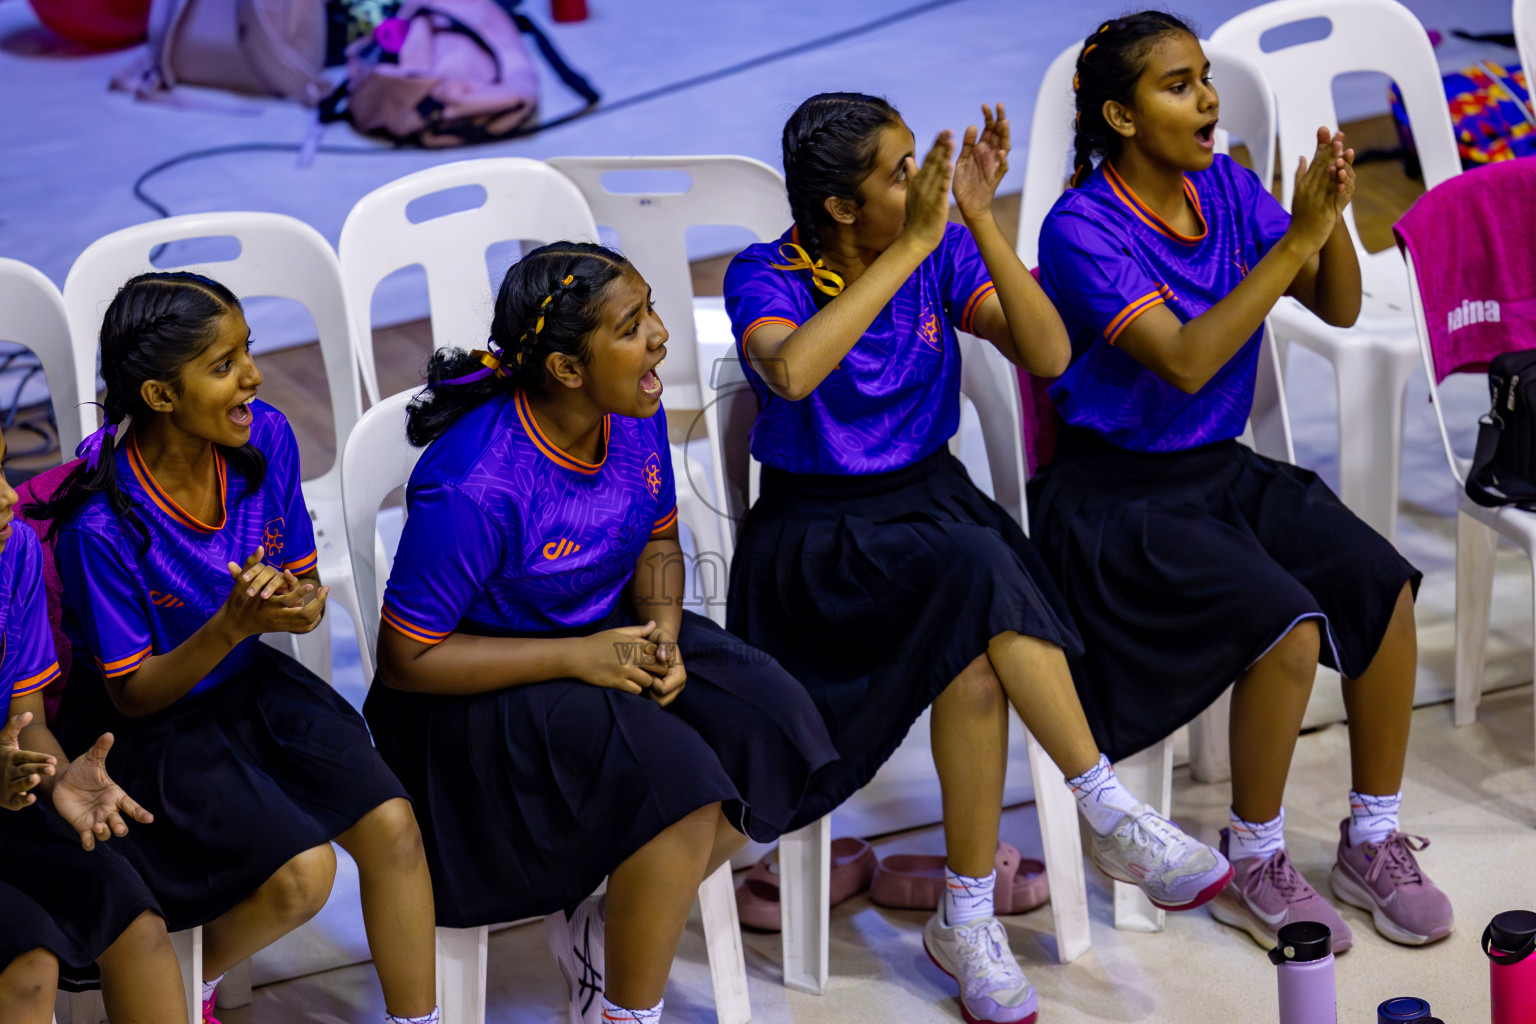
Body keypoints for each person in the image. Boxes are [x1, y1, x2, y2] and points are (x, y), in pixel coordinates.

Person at [722, 91, 1231, 1024]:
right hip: (819, 546)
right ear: (839, 207)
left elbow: (1046, 352)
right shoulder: (766, 273)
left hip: (932, 508)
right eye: (899, 171)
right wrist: (916, 245)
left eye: (920, 161)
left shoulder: (944, 244)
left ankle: (967, 913)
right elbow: (790, 372)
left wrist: (983, 223)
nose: (921, 183)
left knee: (975, 653)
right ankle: (1106, 806)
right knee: (982, 572)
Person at [1031, 12, 1452, 954]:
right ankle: (1254, 859)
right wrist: (1289, 238)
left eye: (1205, 76)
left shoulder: (1223, 184)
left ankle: (1372, 837)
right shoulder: (1081, 229)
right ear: (1121, 116)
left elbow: (1337, 305)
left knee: (1380, 581)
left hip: (1219, 470)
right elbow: (1183, 360)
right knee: (1287, 624)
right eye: (1177, 84)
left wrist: (1327, 220)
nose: (1208, 98)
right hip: (1114, 498)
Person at [366, 242, 837, 1024]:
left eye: (652, 308)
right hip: (468, 697)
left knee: (778, 721)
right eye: (631, 325)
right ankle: (624, 1012)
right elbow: (408, 659)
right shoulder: (476, 484)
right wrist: (581, 656)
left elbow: (658, 543)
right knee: (682, 786)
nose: (659, 334)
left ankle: (606, 923)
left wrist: (662, 634)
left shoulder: (635, 412)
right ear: (567, 371)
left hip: (604, 633)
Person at [31, 271, 441, 1024]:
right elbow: (133, 692)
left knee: (392, 827)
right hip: (150, 723)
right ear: (160, 396)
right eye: (223, 365)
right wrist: (232, 624)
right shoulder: (100, 526)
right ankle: (190, 984)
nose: (254, 376)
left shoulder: (267, 436)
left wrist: (298, 606)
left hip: (247, 675)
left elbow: (304, 590)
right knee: (301, 877)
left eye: (246, 351)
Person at [0, 430, 187, 1024]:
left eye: (1, 468)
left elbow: (23, 715)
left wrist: (56, 783)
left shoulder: (16, 551)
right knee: (27, 964)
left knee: (136, 922)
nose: (8, 498)